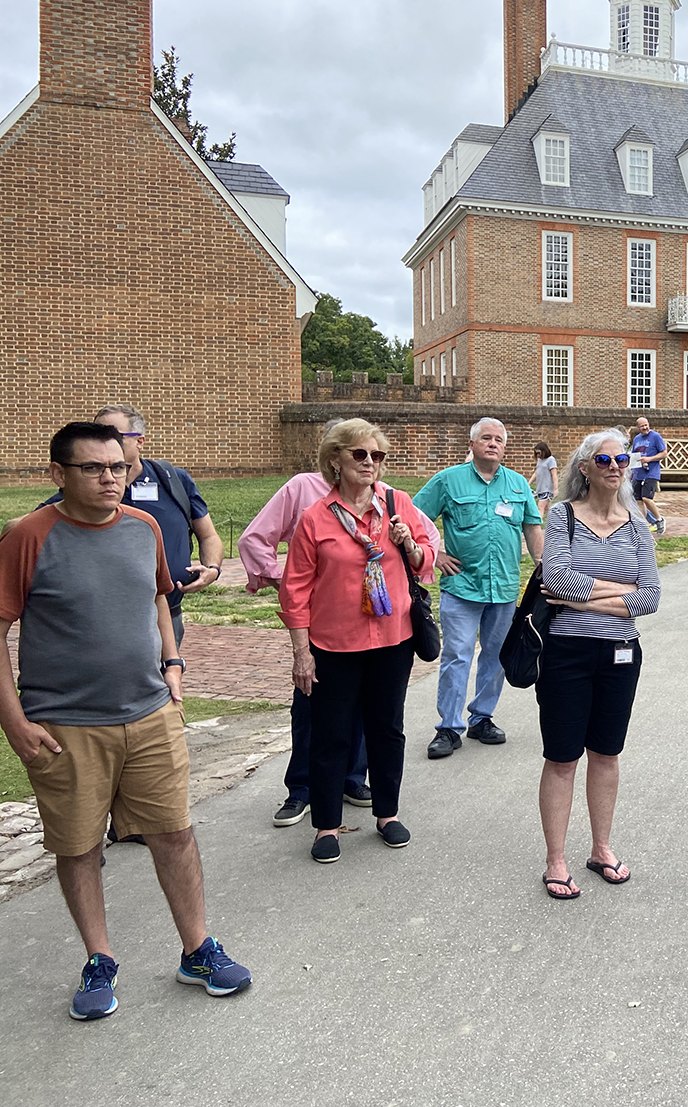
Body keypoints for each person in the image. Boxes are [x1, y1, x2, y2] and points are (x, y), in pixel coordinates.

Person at [0, 422, 251, 1020]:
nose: (110, 477)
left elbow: (159, 596)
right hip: (65, 725)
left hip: (150, 713)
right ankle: (99, 958)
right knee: (80, 845)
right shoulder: (28, 537)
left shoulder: (143, 530)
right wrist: (13, 721)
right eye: (92, 468)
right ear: (58, 474)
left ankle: (197, 949)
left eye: (118, 467)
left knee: (174, 832)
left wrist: (173, 666)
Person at [239, 428, 443, 828]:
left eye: (378, 456)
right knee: (330, 736)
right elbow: (295, 590)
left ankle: (388, 814)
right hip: (333, 644)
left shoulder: (397, 502)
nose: (371, 463)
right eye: (360, 454)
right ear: (336, 460)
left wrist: (409, 544)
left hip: (392, 640)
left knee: (387, 731)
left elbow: (425, 560)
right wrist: (302, 653)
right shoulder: (315, 517)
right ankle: (327, 825)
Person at [534, 430, 660, 899]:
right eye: (603, 459)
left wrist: (591, 598)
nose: (615, 466)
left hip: (621, 655)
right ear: (584, 468)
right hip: (567, 653)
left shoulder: (636, 525)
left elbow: (651, 596)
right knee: (563, 757)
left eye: (621, 458)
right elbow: (556, 581)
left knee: (606, 754)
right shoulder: (563, 516)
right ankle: (556, 859)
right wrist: (618, 593)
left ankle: (601, 847)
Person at [413, 418, 544, 760]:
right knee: (457, 655)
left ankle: (482, 717)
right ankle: (448, 727)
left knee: (496, 656)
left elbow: (532, 528)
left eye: (498, 440)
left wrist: (544, 566)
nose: (493, 444)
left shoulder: (517, 485)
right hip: (461, 586)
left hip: (503, 587)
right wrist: (435, 554)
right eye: (486, 438)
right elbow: (413, 519)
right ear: (472, 444)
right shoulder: (448, 480)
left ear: (504, 447)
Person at [42, 405, 223, 651]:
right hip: (103, 620)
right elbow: (39, 522)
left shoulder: (172, 479)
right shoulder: (85, 490)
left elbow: (209, 535)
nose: (105, 442)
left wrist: (212, 568)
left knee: (167, 679)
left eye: (114, 435)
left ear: (140, 441)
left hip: (168, 612)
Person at [630, 416, 668, 535]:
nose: (645, 427)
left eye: (646, 425)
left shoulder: (655, 436)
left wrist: (649, 459)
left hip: (651, 472)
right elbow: (634, 456)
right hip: (639, 473)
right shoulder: (636, 439)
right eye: (642, 426)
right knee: (638, 500)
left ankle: (659, 520)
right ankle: (642, 525)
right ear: (638, 427)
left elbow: (664, 454)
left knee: (646, 498)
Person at [533, 441, 558, 512]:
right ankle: (551, 522)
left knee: (540, 507)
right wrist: (528, 483)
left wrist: (555, 489)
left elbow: (554, 474)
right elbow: (536, 473)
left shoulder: (550, 460)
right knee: (547, 509)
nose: (537, 455)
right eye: (536, 453)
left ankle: (538, 523)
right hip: (540, 489)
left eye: (539, 453)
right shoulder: (540, 460)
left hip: (547, 489)